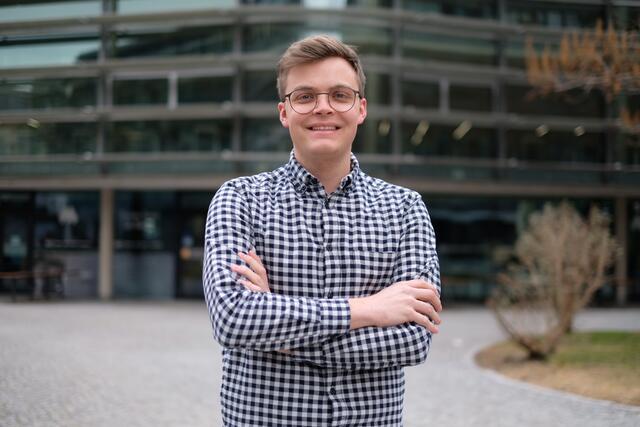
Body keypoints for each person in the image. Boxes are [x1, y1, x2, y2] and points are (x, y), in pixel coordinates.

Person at [203, 35, 442, 426]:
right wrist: (367, 309)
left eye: (340, 95)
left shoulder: (405, 209)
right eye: (305, 96)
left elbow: (413, 340)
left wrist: (278, 334)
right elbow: (234, 318)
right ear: (284, 112)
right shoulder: (239, 200)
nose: (323, 108)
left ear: (361, 108)